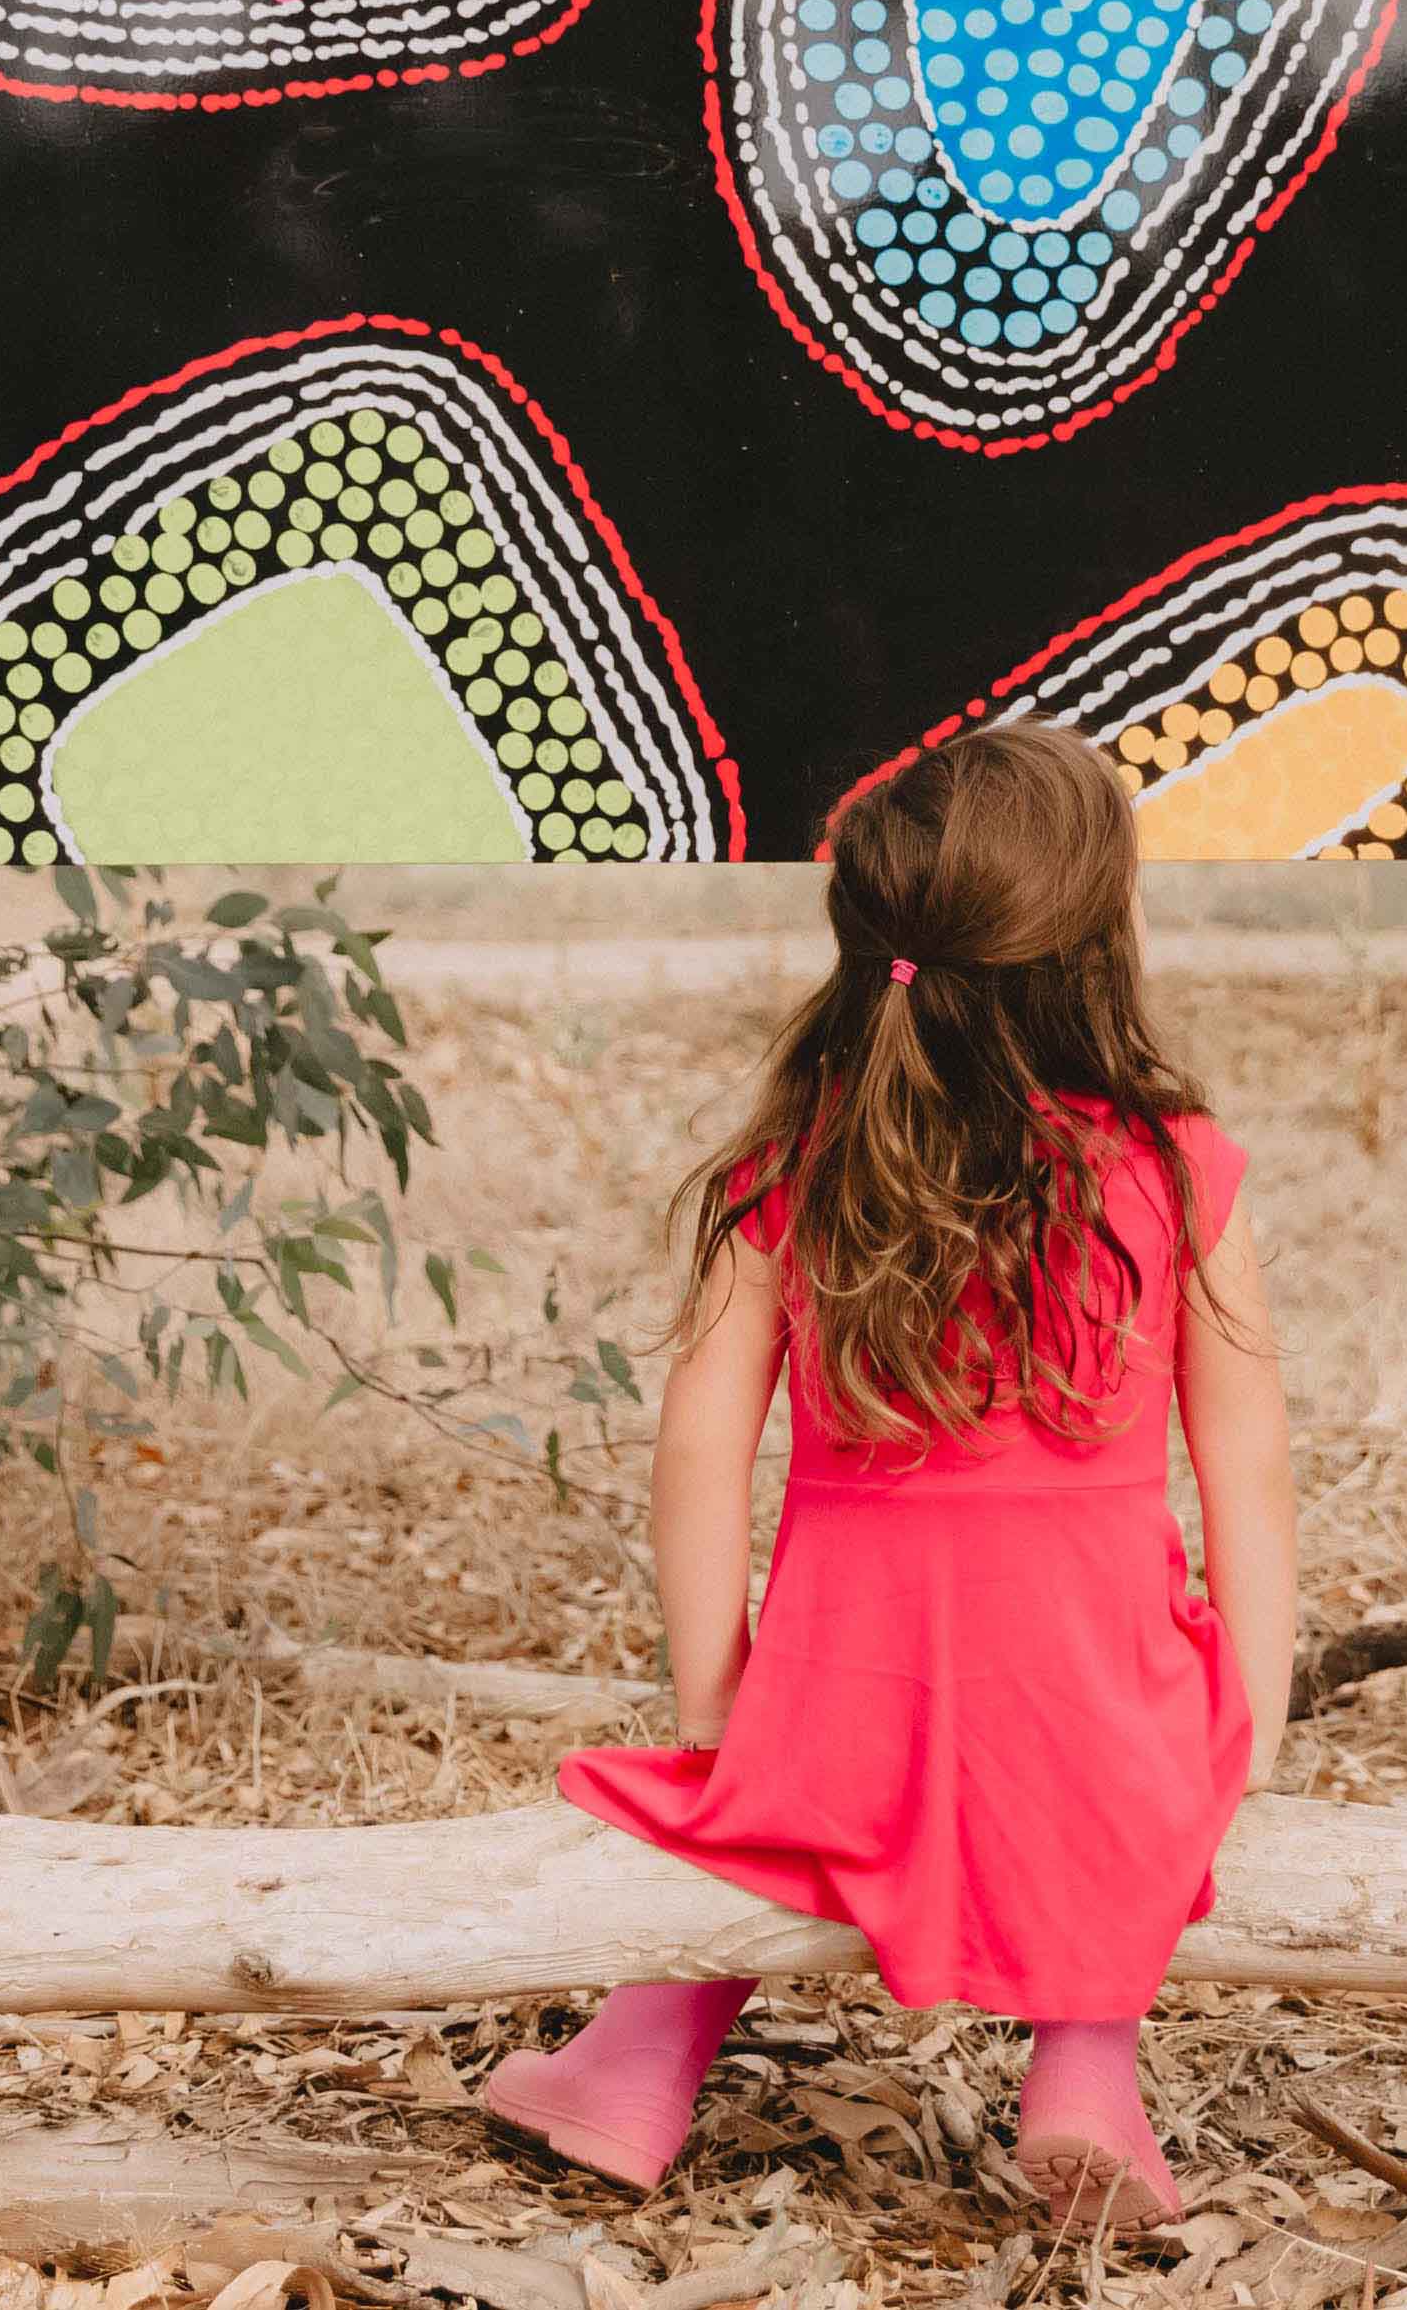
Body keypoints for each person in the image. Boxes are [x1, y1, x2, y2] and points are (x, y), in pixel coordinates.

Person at [477, 725, 1295, 2228]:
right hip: (1094, 1693)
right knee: (1119, 1791)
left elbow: (699, 1441)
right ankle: (1085, 2074)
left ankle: (638, 2055)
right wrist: (1251, 1710)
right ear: (1094, 940)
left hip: (846, 1688)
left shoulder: (793, 1162)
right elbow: (1248, 1466)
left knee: (764, 1812)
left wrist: (721, 1694)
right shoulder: (1179, 1167)